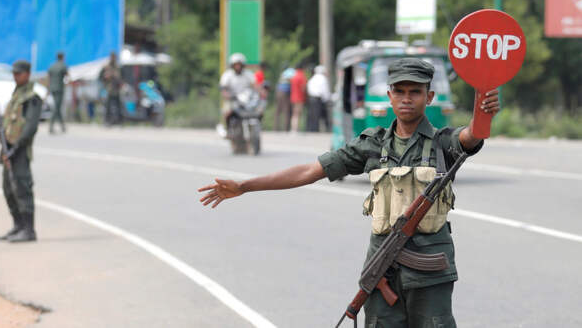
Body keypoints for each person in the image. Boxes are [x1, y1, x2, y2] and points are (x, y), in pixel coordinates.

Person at [198, 58, 501, 328]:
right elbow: (309, 171)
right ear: (390, 95)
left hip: (431, 274)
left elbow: (472, 134)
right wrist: (245, 186)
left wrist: (482, 109)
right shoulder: (372, 144)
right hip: (384, 271)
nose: (406, 98)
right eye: (400, 91)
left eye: (415, 92)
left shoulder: (442, 143)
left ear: (429, 97)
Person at [0, 60, 42, 242]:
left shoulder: (32, 98)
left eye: (18, 73)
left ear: (27, 74)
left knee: (22, 188)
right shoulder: (16, 96)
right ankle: (18, 225)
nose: (15, 76)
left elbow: (30, 127)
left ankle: (29, 230)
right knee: (8, 188)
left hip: (19, 150)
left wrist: (16, 147)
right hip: (8, 150)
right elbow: (8, 121)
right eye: (14, 73)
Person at [218, 52, 255, 136]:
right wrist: (226, 95)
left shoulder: (248, 74)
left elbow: (255, 85)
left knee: (257, 110)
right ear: (232, 65)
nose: (238, 66)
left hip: (246, 99)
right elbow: (223, 88)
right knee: (227, 111)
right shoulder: (228, 75)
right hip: (232, 98)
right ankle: (227, 129)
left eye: (240, 64)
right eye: (236, 64)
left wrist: (261, 92)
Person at [306, 65, 331, 132]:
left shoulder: (313, 78)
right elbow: (325, 90)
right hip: (318, 99)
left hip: (311, 98)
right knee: (320, 115)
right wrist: (327, 99)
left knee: (313, 115)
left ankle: (312, 129)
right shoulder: (323, 78)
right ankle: (327, 129)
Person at [47, 52, 68, 133]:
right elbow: (67, 76)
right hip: (59, 89)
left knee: (58, 107)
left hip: (52, 88)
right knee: (56, 108)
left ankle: (62, 126)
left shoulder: (52, 66)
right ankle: (51, 126)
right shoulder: (63, 65)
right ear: (62, 57)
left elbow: (48, 77)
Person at [100, 51, 122, 125]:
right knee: (108, 106)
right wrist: (105, 77)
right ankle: (107, 120)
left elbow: (120, 77)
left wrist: (116, 77)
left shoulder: (117, 66)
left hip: (116, 89)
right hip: (109, 89)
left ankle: (118, 121)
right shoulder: (106, 66)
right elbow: (101, 77)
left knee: (118, 106)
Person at [274, 66, 295, 131]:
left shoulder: (282, 73)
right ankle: (286, 128)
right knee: (286, 110)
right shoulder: (291, 71)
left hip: (278, 92)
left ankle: (276, 128)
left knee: (278, 111)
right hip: (286, 92)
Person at [289, 64, 307, 133]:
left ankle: (294, 128)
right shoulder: (301, 75)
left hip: (293, 97)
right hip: (299, 97)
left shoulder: (294, 76)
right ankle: (296, 128)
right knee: (298, 113)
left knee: (294, 113)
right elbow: (303, 87)